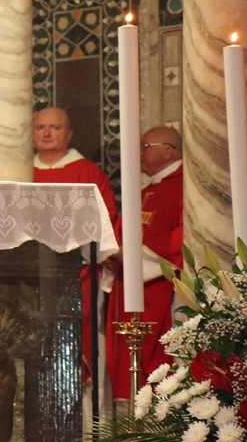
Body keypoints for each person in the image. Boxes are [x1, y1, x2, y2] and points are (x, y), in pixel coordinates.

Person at [32, 106, 118, 385]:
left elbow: (106, 216)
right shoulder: (20, 171)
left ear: (69, 134)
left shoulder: (87, 172)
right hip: (28, 272)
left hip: (77, 271)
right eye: (40, 128)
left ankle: (82, 403)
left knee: (77, 332)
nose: (47, 133)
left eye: (54, 128)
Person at [103, 126, 183, 402]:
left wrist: (136, 255)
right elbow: (120, 233)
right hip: (128, 285)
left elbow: (183, 238)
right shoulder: (146, 189)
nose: (138, 154)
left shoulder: (185, 187)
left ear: (169, 151)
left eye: (145, 147)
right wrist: (113, 255)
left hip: (160, 287)